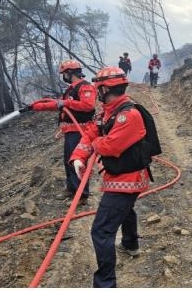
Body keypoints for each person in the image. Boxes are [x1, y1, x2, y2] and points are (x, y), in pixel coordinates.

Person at [70, 67, 153, 288]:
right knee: (126, 210)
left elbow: (110, 146)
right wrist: (79, 155)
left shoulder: (129, 115)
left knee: (101, 230)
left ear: (105, 89)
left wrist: (95, 146)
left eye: (99, 89)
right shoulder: (107, 110)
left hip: (128, 180)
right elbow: (90, 131)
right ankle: (130, 244)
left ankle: (105, 283)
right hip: (120, 177)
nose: (96, 93)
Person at [29, 60, 97, 203]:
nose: (64, 76)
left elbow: (88, 105)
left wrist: (66, 103)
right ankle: (72, 189)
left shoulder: (85, 87)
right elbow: (57, 105)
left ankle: (82, 195)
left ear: (70, 73)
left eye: (65, 73)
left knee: (77, 161)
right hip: (70, 131)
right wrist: (35, 107)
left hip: (81, 131)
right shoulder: (71, 89)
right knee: (68, 161)